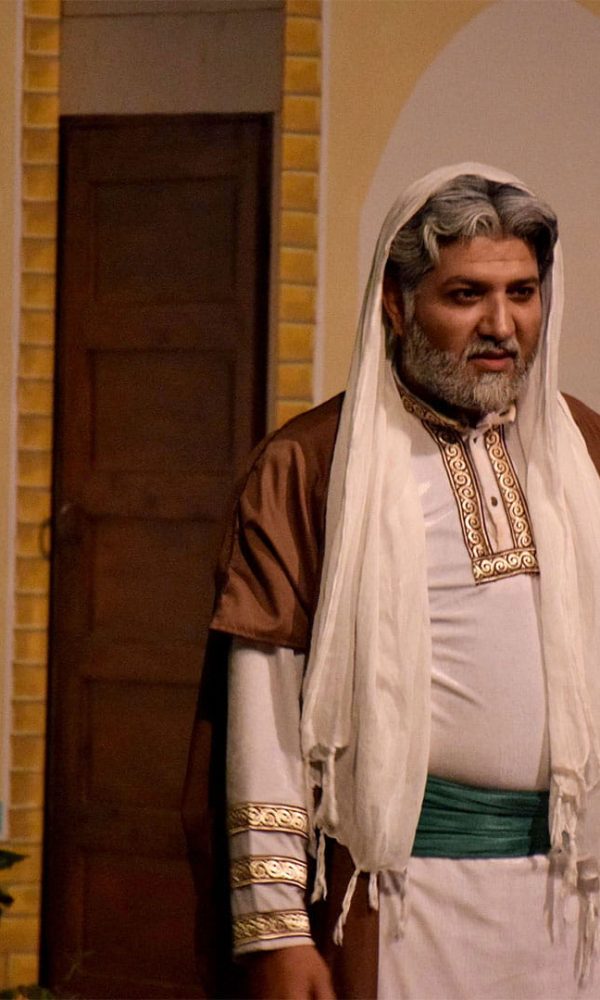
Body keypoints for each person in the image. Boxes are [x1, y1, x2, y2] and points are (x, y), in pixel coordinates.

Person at [182, 164, 600, 999]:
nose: (501, 324)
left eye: (522, 293)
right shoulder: (313, 466)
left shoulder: (583, 450)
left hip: (575, 907)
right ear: (396, 302)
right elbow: (264, 712)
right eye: (466, 295)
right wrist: (275, 929)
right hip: (400, 904)